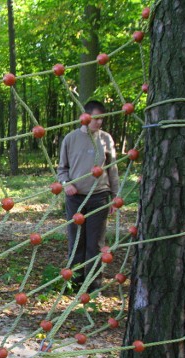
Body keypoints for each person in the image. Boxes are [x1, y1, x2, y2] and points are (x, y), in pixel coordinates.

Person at [57, 100, 119, 291]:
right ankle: (75, 283)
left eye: (102, 119)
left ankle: (93, 286)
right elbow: (62, 169)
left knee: (96, 242)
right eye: (96, 118)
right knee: (76, 241)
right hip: (75, 198)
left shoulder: (106, 139)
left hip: (99, 196)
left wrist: (115, 197)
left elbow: (112, 169)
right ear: (85, 117)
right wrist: (66, 184)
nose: (99, 123)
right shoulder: (70, 139)